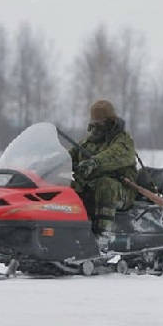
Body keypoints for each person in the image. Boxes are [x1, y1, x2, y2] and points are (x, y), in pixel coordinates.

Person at [69, 99, 138, 235]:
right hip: (90, 186)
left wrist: (94, 162)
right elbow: (69, 155)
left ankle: (103, 236)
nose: (97, 128)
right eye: (95, 124)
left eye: (101, 124)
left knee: (106, 184)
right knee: (66, 187)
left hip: (122, 191)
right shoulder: (87, 142)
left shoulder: (123, 141)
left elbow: (113, 155)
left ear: (111, 122)